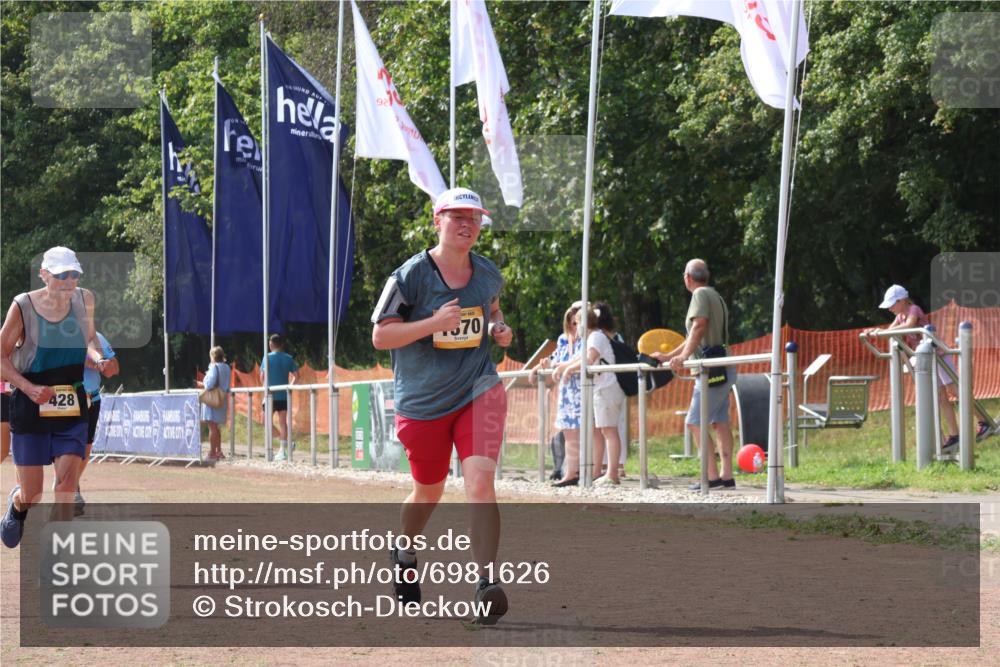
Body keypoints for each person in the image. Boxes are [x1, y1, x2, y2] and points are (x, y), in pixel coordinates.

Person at [371, 186, 512, 625]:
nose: (467, 225)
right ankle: (404, 550)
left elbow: (491, 309)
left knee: (480, 486)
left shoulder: (487, 272)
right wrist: (433, 323)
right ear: (438, 220)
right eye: (457, 217)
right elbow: (380, 336)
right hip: (423, 403)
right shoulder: (410, 275)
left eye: (474, 218)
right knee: (428, 490)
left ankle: (486, 583)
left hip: (478, 388)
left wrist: (499, 328)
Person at [1, 247, 109, 548]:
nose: (69, 280)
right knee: (32, 494)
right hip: (30, 401)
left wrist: (98, 358)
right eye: (61, 275)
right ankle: (17, 505)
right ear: (44, 275)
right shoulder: (22, 306)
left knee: (66, 486)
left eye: (74, 274)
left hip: (72, 400)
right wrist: (27, 387)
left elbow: (89, 338)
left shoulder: (85, 299)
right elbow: (1, 357)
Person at [868, 284, 987, 451]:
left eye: (892, 304)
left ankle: (983, 420)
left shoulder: (913, 310)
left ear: (902, 301)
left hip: (939, 355)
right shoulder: (900, 316)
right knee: (940, 397)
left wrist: (882, 332)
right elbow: (891, 329)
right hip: (926, 357)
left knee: (954, 389)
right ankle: (955, 435)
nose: (890, 309)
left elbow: (909, 326)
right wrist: (877, 332)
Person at [652, 258, 737, 490]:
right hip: (722, 366)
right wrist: (671, 356)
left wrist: (681, 357)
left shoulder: (699, 296)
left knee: (694, 422)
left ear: (687, 278)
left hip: (710, 370)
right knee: (719, 421)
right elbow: (695, 336)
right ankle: (726, 476)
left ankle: (711, 478)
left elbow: (699, 326)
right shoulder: (715, 295)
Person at [553, 304, 626, 486]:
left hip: (606, 388)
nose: (575, 328)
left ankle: (611, 474)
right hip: (602, 388)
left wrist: (568, 367)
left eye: (577, 323)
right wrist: (566, 366)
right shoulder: (594, 337)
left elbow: (588, 359)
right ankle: (602, 473)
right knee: (605, 430)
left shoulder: (595, 337)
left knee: (609, 431)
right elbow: (583, 357)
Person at [530, 302, 583, 487]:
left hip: (583, 389)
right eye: (571, 322)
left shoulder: (588, 339)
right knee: (569, 433)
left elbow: (582, 357)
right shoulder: (563, 339)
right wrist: (537, 367)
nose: (574, 326)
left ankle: (583, 470)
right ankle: (571, 472)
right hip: (567, 391)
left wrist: (563, 366)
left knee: (586, 432)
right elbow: (555, 358)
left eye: (577, 322)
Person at [73, 330, 119, 515]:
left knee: (86, 447)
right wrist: (93, 362)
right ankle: (71, 488)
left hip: (93, 398)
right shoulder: (62, 336)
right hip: (71, 399)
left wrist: (108, 365)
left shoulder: (96, 337)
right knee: (71, 445)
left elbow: (115, 368)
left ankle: (71, 482)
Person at [260, 334, 298, 462]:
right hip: (283, 394)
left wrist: (265, 387)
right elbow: (297, 375)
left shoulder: (267, 358)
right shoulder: (288, 358)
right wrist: (289, 387)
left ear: (271, 345)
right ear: (281, 344)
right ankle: (284, 447)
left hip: (270, 394)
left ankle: (284, 445)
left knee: (265, 422)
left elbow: (262, 377)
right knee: (282, 422)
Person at [197, 346, 230, 461]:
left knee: (212, 427)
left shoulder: (214, 367)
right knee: (217, 427)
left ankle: (212, 452)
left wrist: (203, 382)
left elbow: (209, 384)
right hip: (222, 399)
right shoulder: (227, 367)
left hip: (212, 400)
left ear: (213, 356)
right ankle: (219, 451)